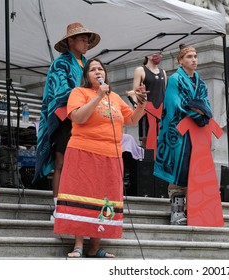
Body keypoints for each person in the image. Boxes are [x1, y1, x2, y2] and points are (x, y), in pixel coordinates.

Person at [53, 58, 147, 258]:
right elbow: (78, 117)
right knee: (81, 195)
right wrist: (97, 96)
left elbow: (131, 119)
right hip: (83, 152)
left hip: (111, 155)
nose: (97, 71)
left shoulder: (114, 97)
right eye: (92, 69)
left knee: (105, 199)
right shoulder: (79, 93)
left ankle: (95, 246)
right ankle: (78, 245)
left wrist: (141, 104)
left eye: (100, 68)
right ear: (86, 75)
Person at [33, 23, 100, 218]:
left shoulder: (89, 64)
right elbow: (59, 92)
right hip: (65, 118)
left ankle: (79, 204)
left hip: (87, 119)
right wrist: (86, 98)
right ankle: (58, 207)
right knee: (61, 162)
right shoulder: (60, 63)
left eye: (88, 40)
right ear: (70, 41)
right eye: (82, 39)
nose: (86, 43)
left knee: (83, 164)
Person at [153, 45, 213, 225]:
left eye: (195, 56)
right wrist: (197, 112)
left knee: (195, 169)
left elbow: (206, 105)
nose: (193, 59)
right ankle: (177, 212)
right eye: (189, 56)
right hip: (178, 130)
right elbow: (175, 105)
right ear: (180, 60)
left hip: (197, 132)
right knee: (179, 169)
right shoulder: (174, 79)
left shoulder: (201, 82)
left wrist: (202, 113)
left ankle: (194, 210)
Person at [132, 52, 167, 156]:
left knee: (161, 138)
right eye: (155, 52)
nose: (157, 55)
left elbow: (164, 91)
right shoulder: (140, 70)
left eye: (159, 53)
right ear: (147, 54)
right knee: (146, 138)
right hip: (146, 110)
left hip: (160, 110)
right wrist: (136, 104)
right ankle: (147, 163)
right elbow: (135, 91)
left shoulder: (163, 72)